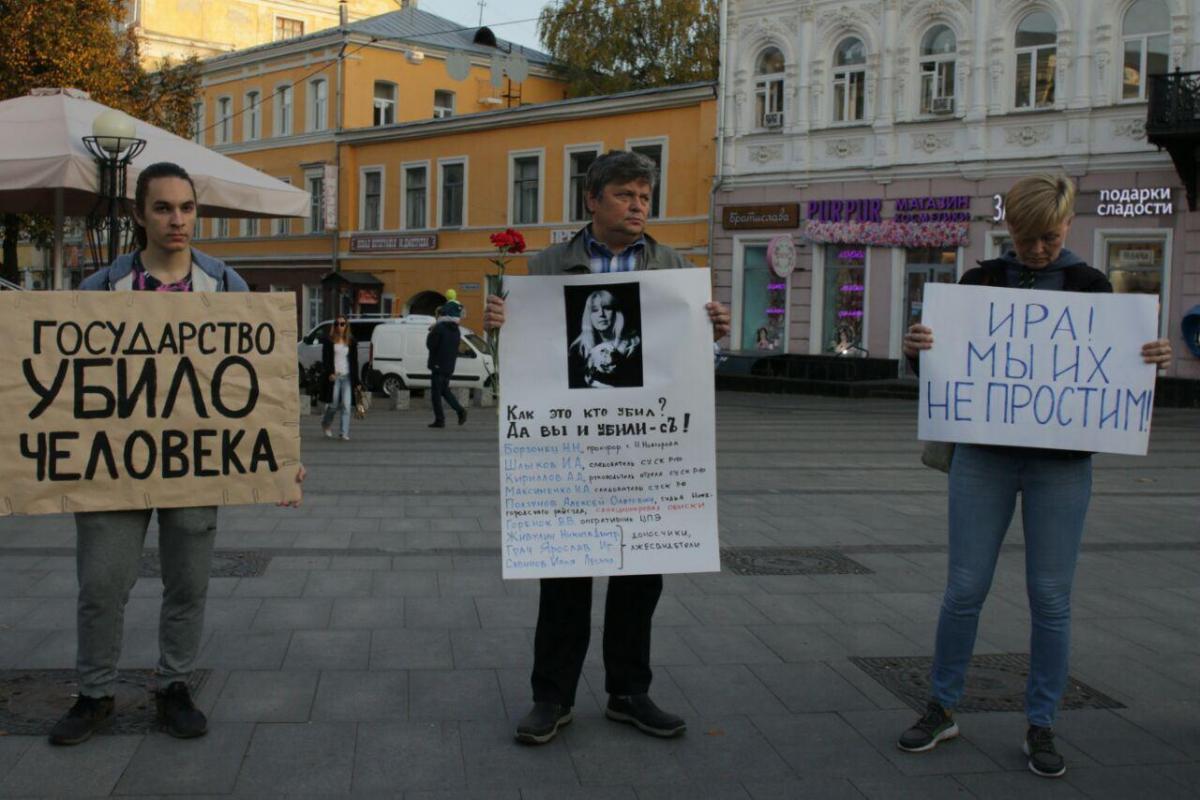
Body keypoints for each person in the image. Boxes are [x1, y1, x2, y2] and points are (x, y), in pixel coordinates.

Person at [897, 174, 1173, 778]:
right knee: (964, 589)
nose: (1038, 250)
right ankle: (942, 706)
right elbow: (942, 376)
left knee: (1050, 599)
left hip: (1061, 467)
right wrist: (919, 351)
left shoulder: (1091, 286)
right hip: (983, 458)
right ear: (1008, 231)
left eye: (1048, 237)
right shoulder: (978, 282)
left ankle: (1042, 722)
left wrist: (1148, 361)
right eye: (1026, 239)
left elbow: (1112, 374)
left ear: (1069, 225)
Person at [50, 162, 306, 746]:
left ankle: (174, 685)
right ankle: (93, 693)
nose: (178, 220)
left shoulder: (225, 286)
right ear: (139, 215)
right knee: (102, 583)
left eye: (187, 208)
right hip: (114, 463)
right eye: (163, 208)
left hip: (197, 461)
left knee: (188, 583)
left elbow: (261, 380)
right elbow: (68, 383)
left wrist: (282, 452)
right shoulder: (100, 290)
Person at [482, 150, 731, 745]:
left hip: (643, 454)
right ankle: (552, 698)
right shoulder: (545, 268)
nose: (638, 205)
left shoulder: (673, 267)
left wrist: (713, 333)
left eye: (645, 196)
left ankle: (628, 692)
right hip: (569, 452)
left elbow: (689, 365)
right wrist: (497, 329)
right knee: (564, 575)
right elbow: (511, 368)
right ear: (591, 200)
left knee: (640, 577)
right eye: (625, 195)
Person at [568, 289, 641, 388]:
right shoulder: (578, 349)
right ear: (589, 315)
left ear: (616, 312)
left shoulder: (633, 346)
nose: (601, 314)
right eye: (594, 310)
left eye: (607, 308)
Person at [427, 296, 468, 428]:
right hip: (449, 366)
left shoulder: (439, 328)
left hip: (438, 365)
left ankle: (440, 420)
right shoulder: (456, 330)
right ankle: (460, 410)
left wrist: (431, 332)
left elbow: (431, 345)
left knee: (436, 394)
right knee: (444, 391)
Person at [320, 315, 359, 441]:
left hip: (347, 377)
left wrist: (357, 381)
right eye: (337, 324)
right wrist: (329, 373)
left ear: (346, 326)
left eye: (342, 324)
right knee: (333, 404)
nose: (339, 326)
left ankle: (343, 433)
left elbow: (354, 362)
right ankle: (326, 423)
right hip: (335, 376)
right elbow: (325, 359)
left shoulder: (351, 341)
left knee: (347, 406)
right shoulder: (329, 340)